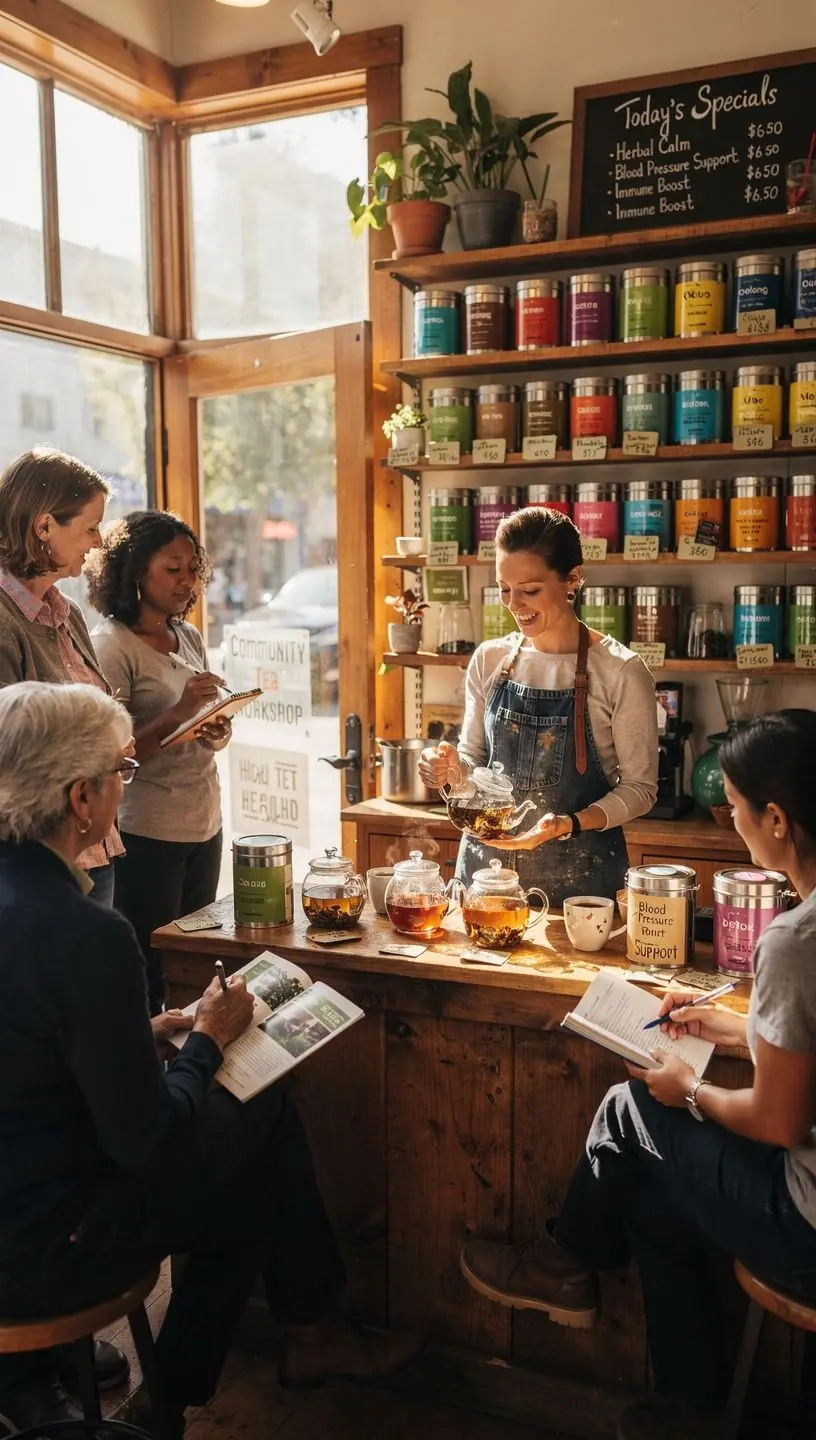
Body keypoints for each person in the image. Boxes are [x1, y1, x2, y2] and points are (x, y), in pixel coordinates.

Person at [0, 682, 422, 1438]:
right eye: (120, 775)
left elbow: (29, 1053)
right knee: (256, 1128)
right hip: (47, 1249)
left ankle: (248, 1359)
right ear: (80, 798)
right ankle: (218, 1375)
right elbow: (145, 1142)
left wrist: (148, 1029)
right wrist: (206, 1040)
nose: (122, 791)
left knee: (245, 1145)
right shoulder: (86, 932)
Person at [459, 708, 816, 1440]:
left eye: (738, 807)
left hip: (807, 1225)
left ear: (777, 820)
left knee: (630, 1107)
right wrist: (727, 1026)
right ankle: (691, 1409)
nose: (730, 818)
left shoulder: (794, 940)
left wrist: (689, 1092)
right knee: (657, 1202)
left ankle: (565, 1260)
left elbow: (780, 1121)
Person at [419, 508, 658, 906]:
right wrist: (448, 769)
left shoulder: (621, 671)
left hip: (579, 888)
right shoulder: (489, 659)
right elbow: (474, 759)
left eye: (529, 590)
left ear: (573, 579)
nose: (514, 604)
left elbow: (641, 789)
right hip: (485, 881)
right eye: (504, 588)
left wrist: (567, 823)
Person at [87, 511, 228, 1014]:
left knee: (199, 963)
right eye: (173, 568)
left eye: (193, 567)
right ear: (133, 570)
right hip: (146, 833)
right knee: (153, 975)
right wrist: (183, 710)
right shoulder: (110, 646)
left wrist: (216, 728)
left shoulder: (184, 634)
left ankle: (197, 1062)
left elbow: (198, 724)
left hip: (202, 822)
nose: (187, 579)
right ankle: (157, 1082)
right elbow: (114, 753)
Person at [0, 447, 123, 907]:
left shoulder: (67, 612)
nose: (97, 542)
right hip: (35, 862)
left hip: (92, 842)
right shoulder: (3, 621)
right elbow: (10, 750)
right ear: (44, 525)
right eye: (90, 527)